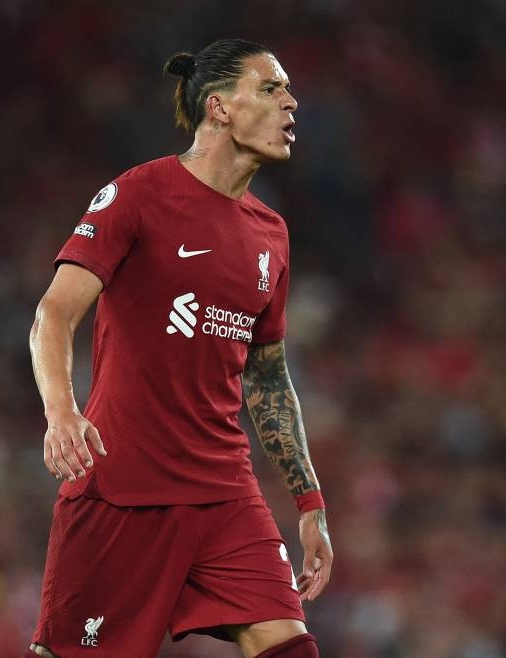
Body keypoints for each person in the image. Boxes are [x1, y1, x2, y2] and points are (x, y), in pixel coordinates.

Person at [26, 39, 332, 658]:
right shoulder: (139, 194)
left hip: (223, 489)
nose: (291, 103)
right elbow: (53, 313)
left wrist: (309, 501)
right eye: (272, 89)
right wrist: (63, 411)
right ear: (218, 107)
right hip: (123, 486)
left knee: (289, 646)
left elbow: (267, 377)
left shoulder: (271, 234)